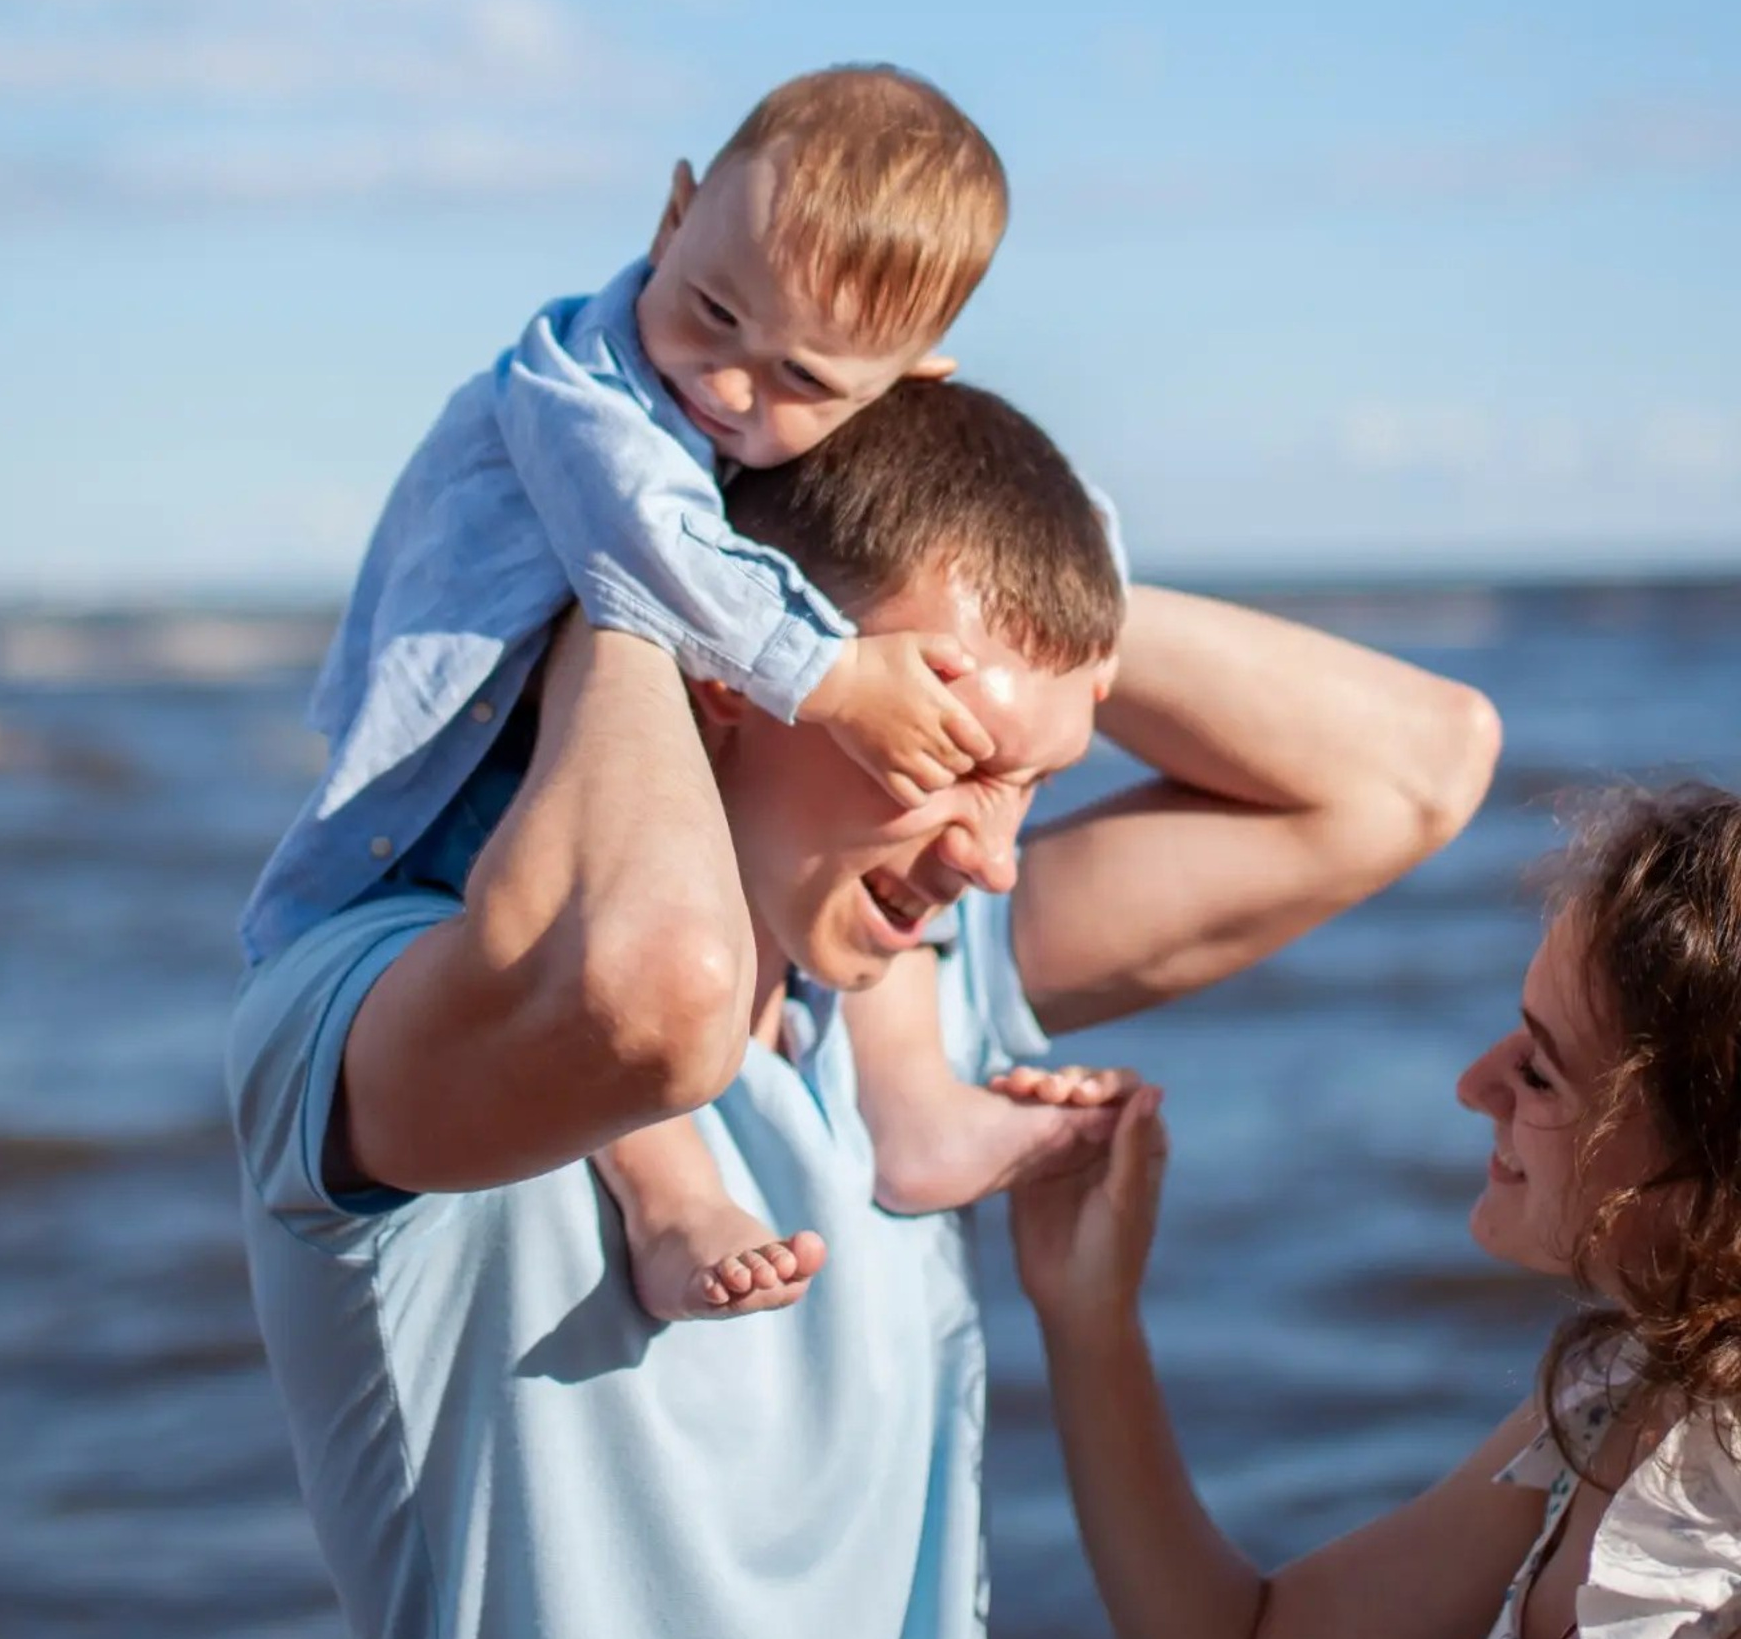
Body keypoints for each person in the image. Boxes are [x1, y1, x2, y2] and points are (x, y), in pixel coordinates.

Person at [228, 379, 1500, 1639]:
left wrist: (1034, 558)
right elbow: (651, 1000)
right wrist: (659, 567)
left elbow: (1422, 768)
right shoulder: (366, 1003)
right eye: (952, 757)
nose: (992, 859)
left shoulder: (903, 999)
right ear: (732, 676)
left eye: (1035, 781)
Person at [239, 61, 1141, 1322]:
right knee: (561, 923)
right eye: (713, 311)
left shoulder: (755, 401)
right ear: (674, 217)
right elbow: (647, 556)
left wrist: (1103, 624)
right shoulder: (579, 391)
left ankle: (913, 1099)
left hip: (614, 735)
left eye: (807, 383)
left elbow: (1057, 509)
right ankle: (668, 1198)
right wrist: (832, 677)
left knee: (893, 846)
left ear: (910, 379)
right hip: (460, 767)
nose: (727, 388)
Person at [1012, 783, 1741, 1639]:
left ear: (1709, 1172)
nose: (1474, 1086)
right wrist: (1088, 1318)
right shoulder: (1616, 1395)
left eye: (1540, 1072)